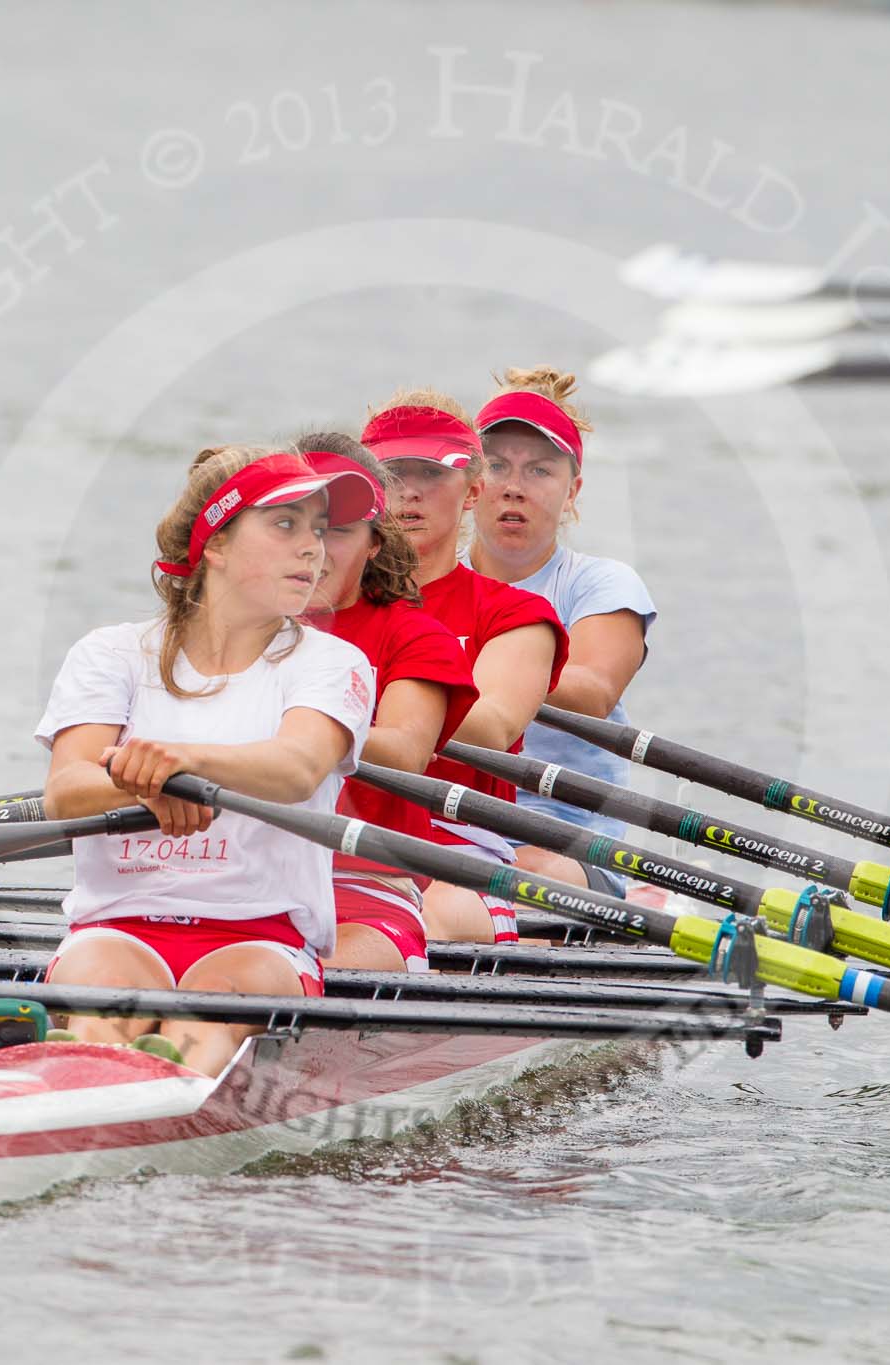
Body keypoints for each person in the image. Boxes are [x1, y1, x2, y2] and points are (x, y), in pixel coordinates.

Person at [37, 446, 380, 1076]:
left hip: (260, 935)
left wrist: (179, 765)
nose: (314, 548)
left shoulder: (332, 663)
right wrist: (149, 786)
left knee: (204, 1024)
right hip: (117, 925)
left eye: (319, 529)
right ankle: (88, 1074)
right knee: (98, 1010)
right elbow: (66, 791)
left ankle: (149, 1084)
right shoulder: (110, 654)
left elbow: (298, 766)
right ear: (215, 545)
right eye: (285, 524)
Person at [360, 390, 567, 944]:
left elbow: (497, 725)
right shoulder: (317, 604)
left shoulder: (515, 613)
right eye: (388, 472)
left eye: (430, 473)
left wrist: (341, 703)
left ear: (473, 490)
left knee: (421, 920)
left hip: (457, 848)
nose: (407, 491)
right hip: (326, 835)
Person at [468, 367, 656, 899]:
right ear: (469, 485)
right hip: (449, 827)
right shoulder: (426, 584)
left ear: (572, 490)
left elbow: (593, 692)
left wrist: (441, 670)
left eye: (539, 471)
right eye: (496, 466)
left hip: (568, 841)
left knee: (513, 878)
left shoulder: (600, 584)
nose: (513, 487)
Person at [294, 433, 479, 973]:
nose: (315, 548)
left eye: (340, 532)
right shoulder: (229, 633)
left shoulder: (415, 637)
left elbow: (404, 751)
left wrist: (295, 736)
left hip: (364, 878)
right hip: (235, 868)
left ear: (375, 542)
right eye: (295, 525)